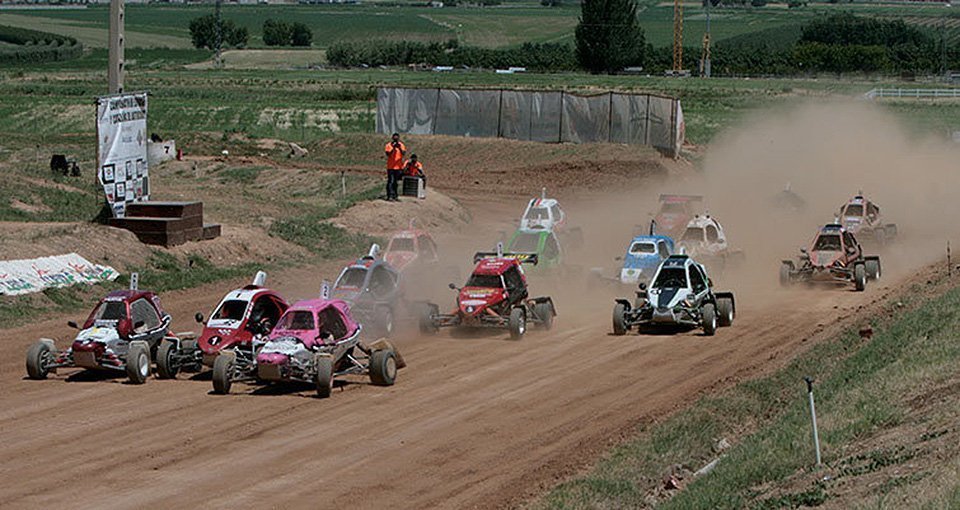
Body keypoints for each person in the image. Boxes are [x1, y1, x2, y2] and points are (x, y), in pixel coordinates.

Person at [384, 133, 406, 201]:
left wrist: (399, 147)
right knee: (391, 181)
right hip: (390, 167)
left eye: (397, 138)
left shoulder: (401, 145)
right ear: (392, 138)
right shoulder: (388, 145)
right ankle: (389, 195)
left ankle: (395, 195)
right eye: (394, 138)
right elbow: (388, 154)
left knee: (396, 182)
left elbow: (403, 153)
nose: (396, 139)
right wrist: (393, 148)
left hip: (398, 167)